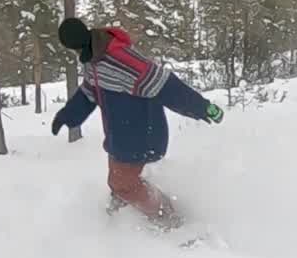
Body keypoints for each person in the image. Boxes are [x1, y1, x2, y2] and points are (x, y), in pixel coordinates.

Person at [50, 17, 223, 229]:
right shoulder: (93, 60)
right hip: (119, 135)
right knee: (118, 182)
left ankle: (170, 219)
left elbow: (165, 84)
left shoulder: (120, 58)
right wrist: (68, 115)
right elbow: (89, 93)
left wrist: (202, 107)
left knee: (122, 184)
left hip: (141, 134)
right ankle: (120, 217)